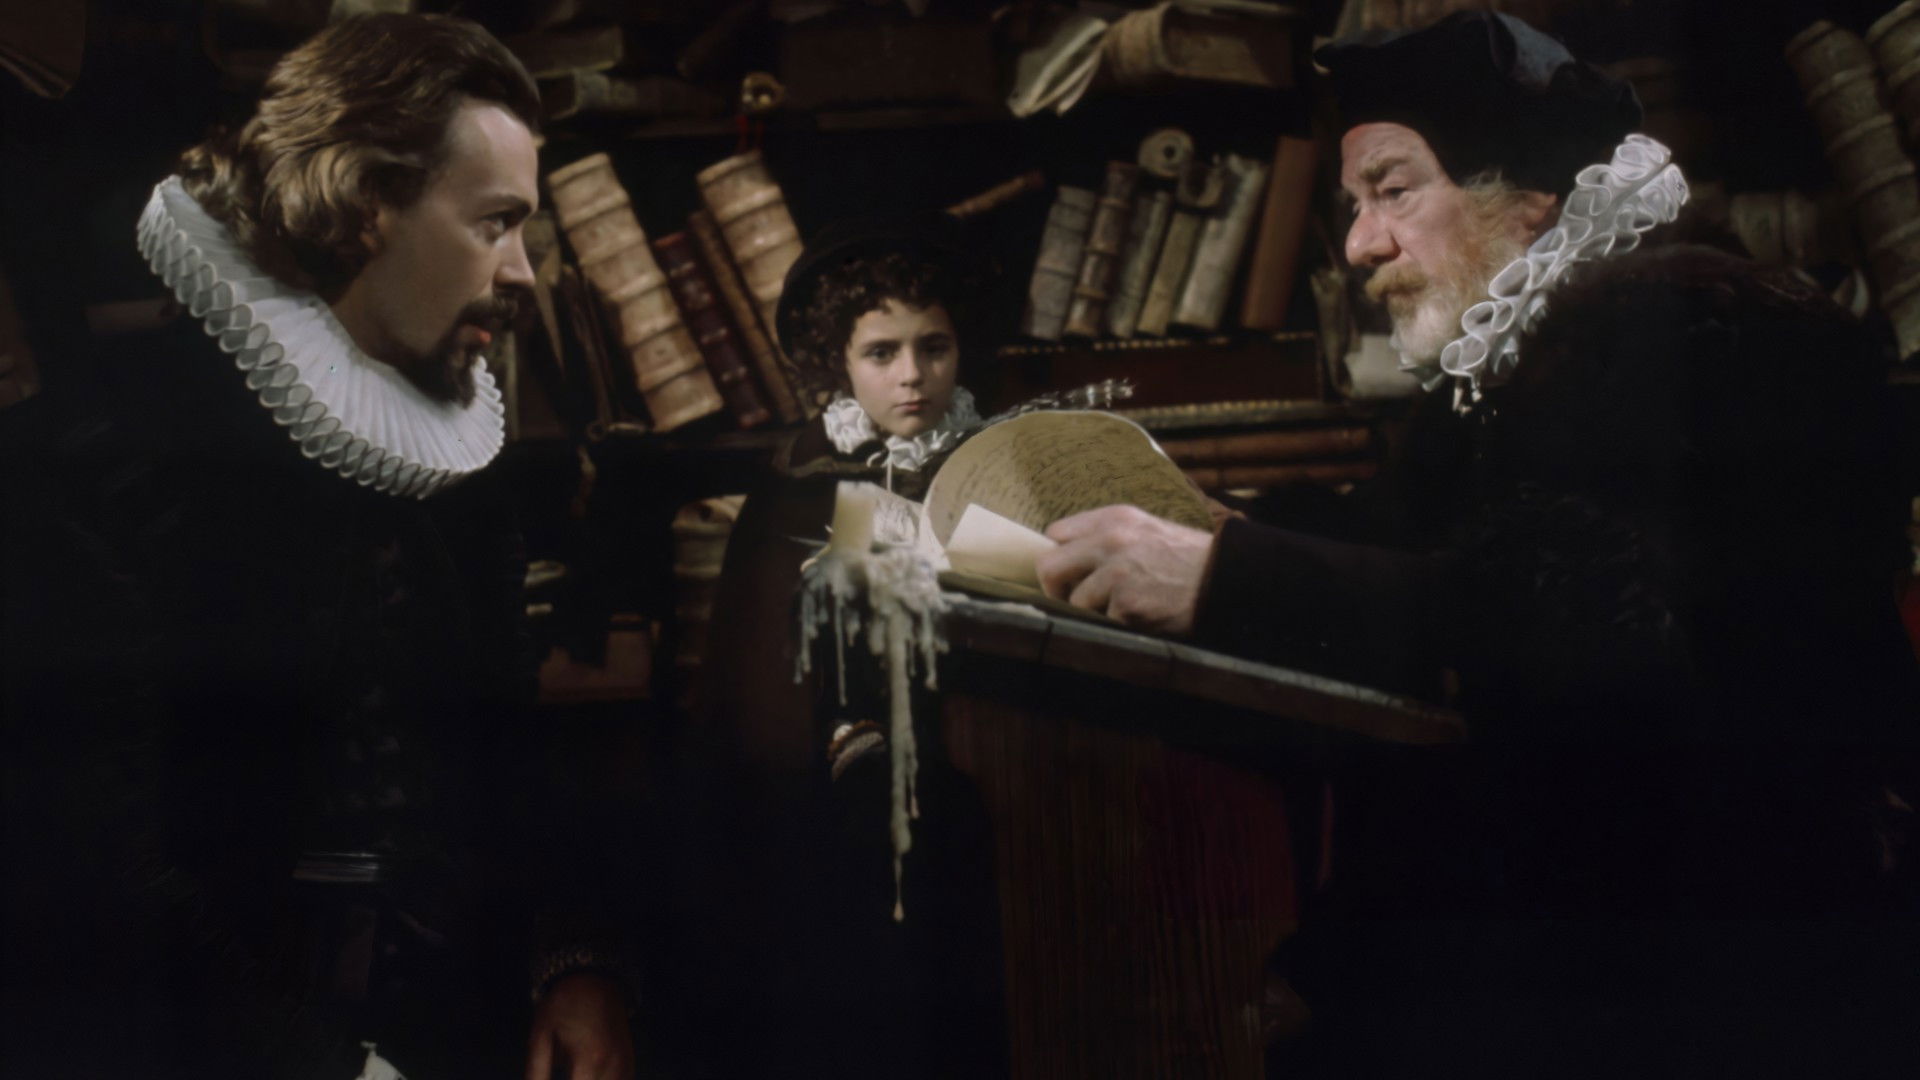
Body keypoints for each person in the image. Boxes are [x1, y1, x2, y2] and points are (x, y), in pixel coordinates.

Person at [1036, 11, 1920, 1075]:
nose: (1361, 244)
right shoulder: (1508, 366)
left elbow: (1579, 633)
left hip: (1731, 980)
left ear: (1530, 198)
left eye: (1393, 190)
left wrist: (1229, 573)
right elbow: (1399, 552)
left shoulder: (1692, 331)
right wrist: (1205, 526)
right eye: (1355, 203)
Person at [1, 15, 632, 1080]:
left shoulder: (454, 448)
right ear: (367, 206)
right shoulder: (121, 454)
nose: (523, 273)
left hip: (450, 1022)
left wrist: (574, 961)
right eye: (495, 224)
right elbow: (101, 854)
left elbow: (507, 754)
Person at [670, 210, 1006, 1078]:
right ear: (839, 364)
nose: (913, 376)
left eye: (933, 347)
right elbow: (763, 691)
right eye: (882, 353)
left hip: (986, 790)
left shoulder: (997, 465)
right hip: (824, 813)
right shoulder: (799, 483)